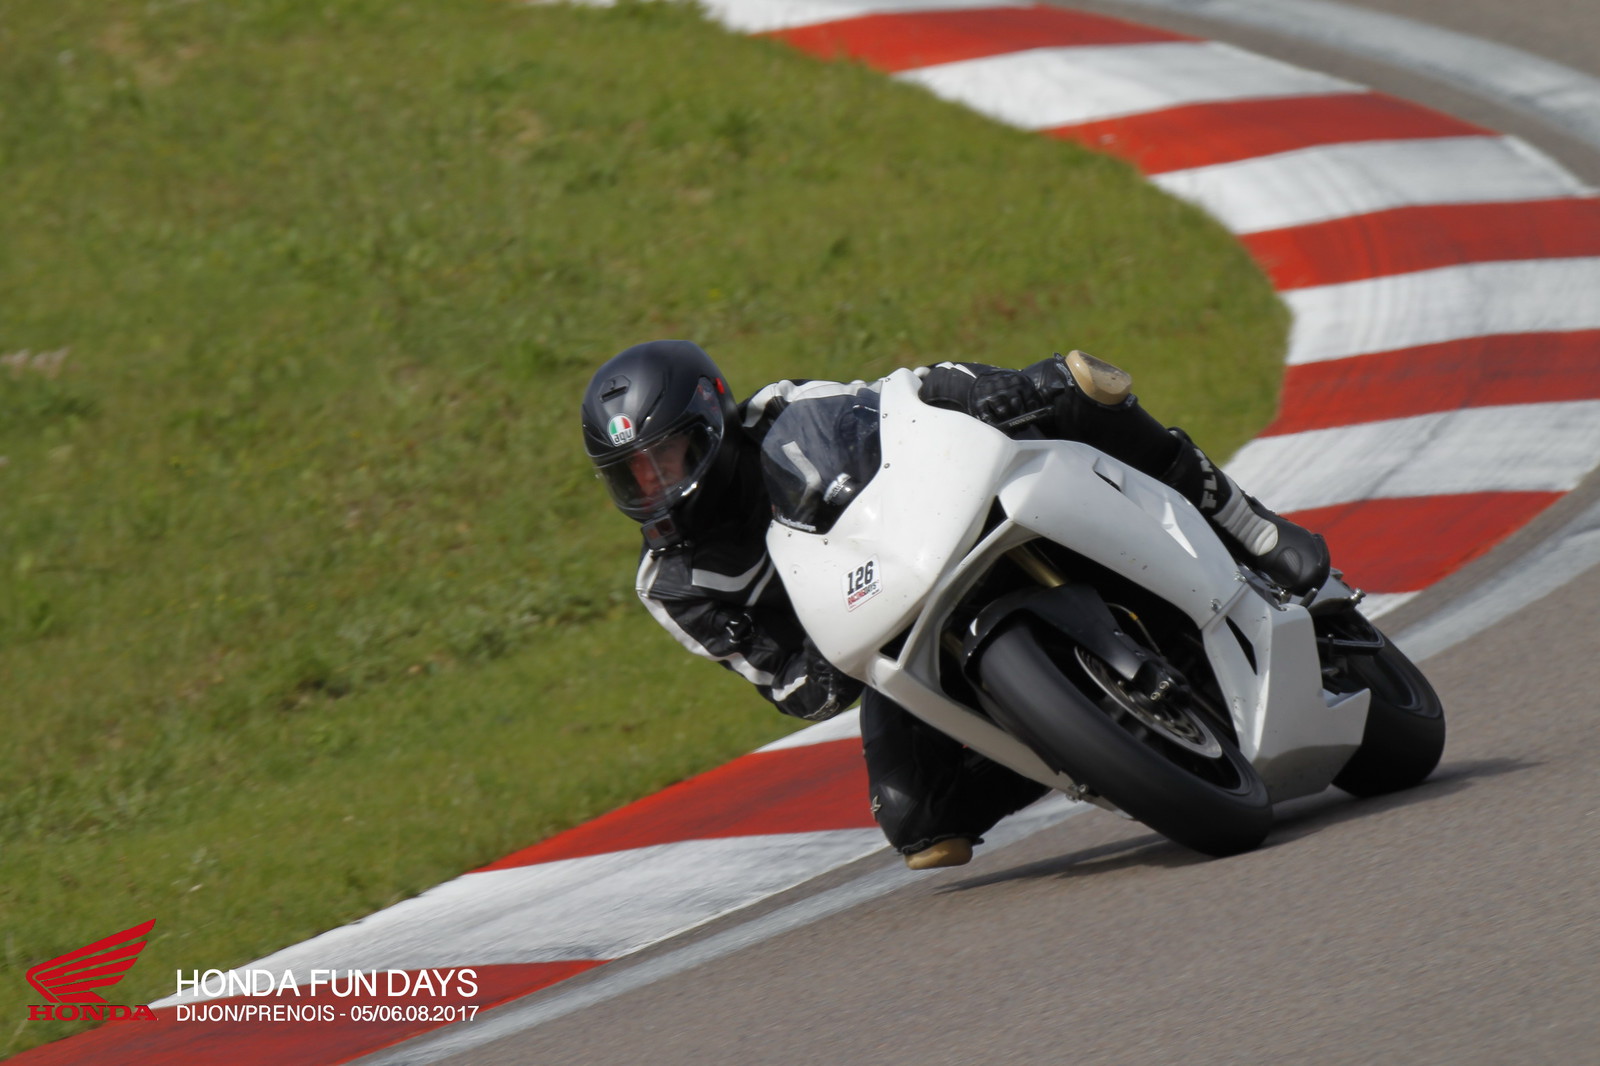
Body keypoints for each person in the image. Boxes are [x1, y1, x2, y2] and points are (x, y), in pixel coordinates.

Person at [580, 340, 1328, 869]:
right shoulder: (671, 585)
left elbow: (900, 398)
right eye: (631, 476)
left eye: (664, 460)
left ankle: (1246, 525)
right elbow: (784, 684)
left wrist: (981, 391)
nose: (654, 487)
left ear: (713, 424)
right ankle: (1087, 750)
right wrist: (821, 671)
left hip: (942, 527)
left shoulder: (784, 413)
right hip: (884, 636)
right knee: (920, 825)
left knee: (1071, 385)